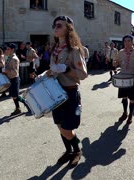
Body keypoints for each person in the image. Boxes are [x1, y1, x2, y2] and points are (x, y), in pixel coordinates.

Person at [46, 15, 87, 167]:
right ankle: (68, 151)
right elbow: (53, 70)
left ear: (68, 29)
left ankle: (77, 150)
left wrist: (67, 69)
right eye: (54, 25)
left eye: (59, 26)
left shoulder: (74, 50)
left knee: (66, 128)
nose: (55, 28)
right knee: (59, 125)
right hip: (56, 92)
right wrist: (46, 74)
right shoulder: (55, 49)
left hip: (69, 92)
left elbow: (83, 75)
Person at [114, 35, 134, 124]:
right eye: (125, 41)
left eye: (129, 41)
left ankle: (130, 115)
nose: (127, 43)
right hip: (122, 77)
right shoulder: (120, 52)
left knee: (132, 99)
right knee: (124, 97)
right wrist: (115, 62)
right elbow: (115, 62)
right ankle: (125, 113)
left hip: (132, 78)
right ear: (123, 42)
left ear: (132, 42)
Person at [3, 43, 30, 116]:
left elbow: (15, 72)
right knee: (14, 96)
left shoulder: (14, 59)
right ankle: (18, 109)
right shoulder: (9, 57)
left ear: (12, 50)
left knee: (16, 95)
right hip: (11, 79)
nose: (7, 50)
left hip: (14, 79)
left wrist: (7, 70)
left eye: (8, 49)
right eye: (7, 49)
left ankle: (27, 104)